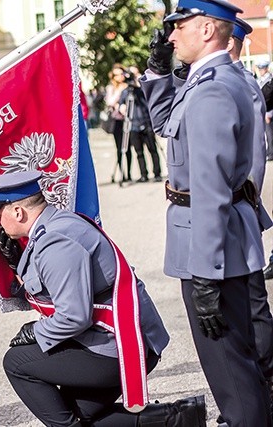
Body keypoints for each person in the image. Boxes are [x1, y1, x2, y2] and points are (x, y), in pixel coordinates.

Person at [0, 170, 205, 426]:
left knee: (16, 362)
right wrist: (19, 265)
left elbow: (74, 317)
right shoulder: (57, 223)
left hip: (122, 343)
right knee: (77, 413)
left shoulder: (54, 243)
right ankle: (180, 418)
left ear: (18, 212)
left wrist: (36, 332)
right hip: (121, 333)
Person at [141, 1, 272, 425]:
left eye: (179, 27)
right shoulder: (204, 82)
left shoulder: (214, 87)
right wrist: (159, 71)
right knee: (237, 368)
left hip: (210, 243)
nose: (172, 35)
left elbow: (213, 192)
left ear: (208, 30)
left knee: (232, 374)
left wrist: (206, 274)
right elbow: (167, 123)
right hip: (209, 238)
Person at [118, 68, 162, 183]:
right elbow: (121, 105)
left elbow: (148, 103)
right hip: (133, 125)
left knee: (153, 149)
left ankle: (157, 173)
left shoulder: (141, 91)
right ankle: (144, 174)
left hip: (146, 123)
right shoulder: (125, 92)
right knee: (139, 152)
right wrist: (122, 108)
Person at [104, 64, 132, 183]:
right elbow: (110, 102)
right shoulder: (111, 88)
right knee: (119, 148)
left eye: (121, 74)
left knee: (128, 148)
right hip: (116, 121)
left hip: (126, 120)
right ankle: (122, 172)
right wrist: (119, 91)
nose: (119, 77)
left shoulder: (128, 87)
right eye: (116, 75)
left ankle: (129, 173)